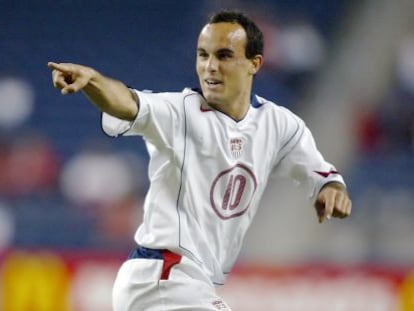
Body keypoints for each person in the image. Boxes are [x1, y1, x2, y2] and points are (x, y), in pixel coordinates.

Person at [48, 10, 352, 311]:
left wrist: (331, 188)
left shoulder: (279, 124)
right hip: (164, 277)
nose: (210, 67)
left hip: (188, 282)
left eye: (223, 56)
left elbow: (320, 172)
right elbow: (128, 102)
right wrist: (92, 81)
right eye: (203, 55)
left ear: (254, 64)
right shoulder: (180, 112)